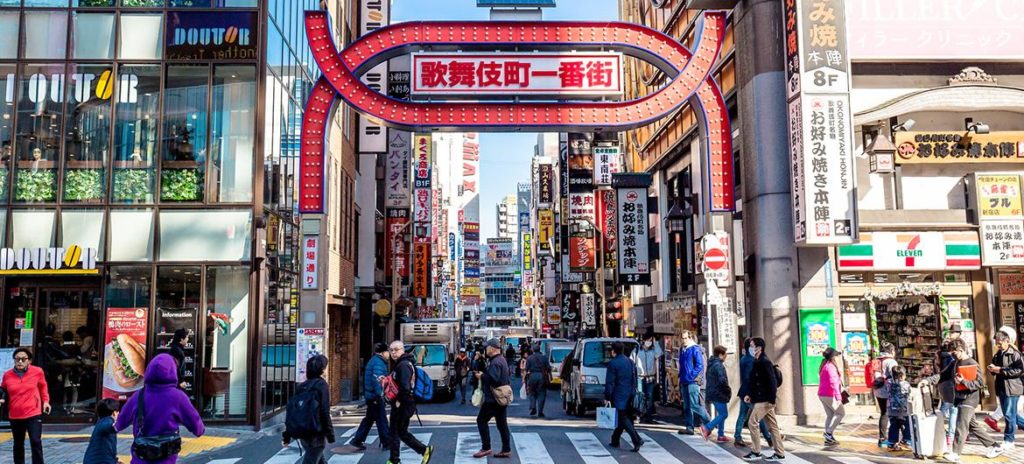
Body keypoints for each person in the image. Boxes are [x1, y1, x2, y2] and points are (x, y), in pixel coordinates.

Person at [114, 353, 205, 464]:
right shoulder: (178, 397)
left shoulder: (138, 395)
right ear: (172, 372)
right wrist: (199, 430)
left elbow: (120, 423)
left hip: (141, 457)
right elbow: (197, 426)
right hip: (166, 458)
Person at [944, 338, 1004, 462]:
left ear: (960, 350)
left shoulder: (972, 363)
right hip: (960, 398)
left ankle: (955, 453)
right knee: (972, 426)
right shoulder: (955, 363)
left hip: (969, 399)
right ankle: (995, 446)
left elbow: (980, 382)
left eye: (954, 353)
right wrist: (927, 380)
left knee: (961, 425)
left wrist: (963, 382)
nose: (953, 355)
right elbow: (942, 374)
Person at [0, 348, 50, 464]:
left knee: (35, 441)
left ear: (29, 361)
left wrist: (45, 401)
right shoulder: (7, 375)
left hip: (33, 412)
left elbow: (43, 387)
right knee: (18, 443)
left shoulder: (37, 371)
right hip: (15, 414)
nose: (20, 362)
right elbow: (3, 390)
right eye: (17, 359)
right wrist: (2, 398)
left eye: (23, 359)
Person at [282, 355, 335, 464]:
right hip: (316, 434)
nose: (326, 369)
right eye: (325, 367)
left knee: (319, 460)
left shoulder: (301, 386)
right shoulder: (321, 385)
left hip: (303, 433)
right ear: (321, 369)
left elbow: (292, 413)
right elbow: (325, 412)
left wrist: (286, 436)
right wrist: (330, 434)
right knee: (312, 458)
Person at [386, 341, 433, 464]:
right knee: (400, 432)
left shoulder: (403, 365)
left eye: (396, 349)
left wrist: (398, 401)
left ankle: (394, 460)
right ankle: (424, 450)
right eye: (391, 350)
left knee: (395, 432)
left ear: (403, 350)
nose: (393, 352)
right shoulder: (401, 364)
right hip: (405, 403)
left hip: (403, 404)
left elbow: (405, 387)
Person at [742, 337, 785, 462]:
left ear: (759, 348)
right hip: (762, 398)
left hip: (765, 399)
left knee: (752, 422)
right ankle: (779, 452)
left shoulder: (764, 362)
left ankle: (756, 451)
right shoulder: (757, 361)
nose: (750, 348)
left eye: (752, 345)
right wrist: (750, 394)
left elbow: (772, 382)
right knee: (772, 426)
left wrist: (771, 399)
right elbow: (755, 381)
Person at [474, 338, 512, 459]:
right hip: (502, 397)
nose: (485, 349)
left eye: (487, 347)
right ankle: (506, 449)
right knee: (502, 424)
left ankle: (486, 447)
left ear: (492, 348)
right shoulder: (501, 360)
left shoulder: (496, 362)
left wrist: (482, 376)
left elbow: (493, 379)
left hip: (493, 398)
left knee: (481, 420)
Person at [350, 343, 391, 450]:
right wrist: (381, 394)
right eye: (388, 351)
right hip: (375, 396)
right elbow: (377, 380)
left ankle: (357, 440)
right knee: (381, 419)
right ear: (383, 352)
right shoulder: (378, 363)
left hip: (371, 396)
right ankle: (386, 442)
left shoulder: (376, 361)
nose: (389, 354)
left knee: (369, 419)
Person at [989, 328, 1024, 450]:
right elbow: (995, 368)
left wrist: (1000, 370)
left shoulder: (1015, 354)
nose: (998, 345)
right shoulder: (998, 354)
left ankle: (1009, 439)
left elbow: (1019, 370)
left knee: (1009, 415)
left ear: (1007, 341)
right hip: (1001, 387)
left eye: (999, 343)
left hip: (1013, 388)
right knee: (1010, 414)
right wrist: (992, 369)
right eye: (996, 343)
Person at [605, 341, 644, 452]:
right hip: (631, 393)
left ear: (613, 351)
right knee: (625, 419)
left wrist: (607, 396)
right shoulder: (630, 362)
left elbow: (610, 382)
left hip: (619, 394)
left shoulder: (613, 364)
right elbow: (635, 378)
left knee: (624, 418)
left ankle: (636, 441)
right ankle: (615, 440)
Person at [735, 337, 772, 448]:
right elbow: (749, 378)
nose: (754, 348)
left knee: (742, 415)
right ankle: (768, 437)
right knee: (757, 415)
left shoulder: (743, 359)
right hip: (749, 393)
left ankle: (737, 437)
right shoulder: (750, 360)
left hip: (744, 391)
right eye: (752, 346)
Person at [922, 338, 959, 448]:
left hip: (942, 384)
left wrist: (930, 380)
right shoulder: (951, 359)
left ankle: (941, 425)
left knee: (946, 406)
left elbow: (940, 373)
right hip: (951, 385)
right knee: (953, 410)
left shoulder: (938, 355)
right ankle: (951, 436)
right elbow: (949, 373)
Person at [677, 330, 711, 439]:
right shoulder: (683, 350)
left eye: (686, 338)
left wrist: (691, 376)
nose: (684, 340)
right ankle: (689, 427)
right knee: (687, 406)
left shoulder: (694, 349)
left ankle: (710, 422)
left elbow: (699, 365)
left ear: (690, 338)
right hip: (684, 380)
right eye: (682, 338)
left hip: (693, 381)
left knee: (694, 404)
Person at [871, 342, 899, 447]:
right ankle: (889, 439)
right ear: (892, 351)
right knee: (890, 414)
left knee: (883, 413)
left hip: (877, 389)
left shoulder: (877, 360)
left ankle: (882, 438)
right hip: (888, 390)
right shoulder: (891, 361)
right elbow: (895, 376)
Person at [632, 332, 663, 423]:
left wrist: (656, 342)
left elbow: (659, 354)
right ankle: (639, 415)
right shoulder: (637, 350)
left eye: (651, 341)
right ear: (643, 341)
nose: (649, 342)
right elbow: (631, 361)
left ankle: (648, 416)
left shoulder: (653, 351)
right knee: (640, 396)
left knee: (650, 397)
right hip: (640, 377)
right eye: (648, 340)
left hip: (650, 377)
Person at [817, 347, 845, 446]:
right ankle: (828, 433)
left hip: (823, 394)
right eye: (836, 355)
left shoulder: (825, 365)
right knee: (840, 413)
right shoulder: (830, 367)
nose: (837, 357)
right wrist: (838, 397)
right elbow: (833, 383)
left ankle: (828, 437)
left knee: (830, 415)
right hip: (830, 394)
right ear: (833, 357)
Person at [705, 345, 732, 443]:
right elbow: (722, 380)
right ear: (721, 354)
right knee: (724, 414)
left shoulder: (712, 363)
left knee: (721, 413)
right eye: (725, 354)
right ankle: (707, 427)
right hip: (718, 392)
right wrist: (727, 390)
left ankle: (721, 435)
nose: (726, 357)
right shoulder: (718, 365)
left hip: (713, 391)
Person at [83, 398, 122, 464]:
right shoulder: (108, 420)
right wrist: (116, 426)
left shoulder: (100, 422)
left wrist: (115, 460)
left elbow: (110, 448)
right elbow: (107, 426)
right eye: (118, 411)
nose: (119, 414)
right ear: (114, 413)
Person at [886, 366, 912, 452]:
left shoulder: (888, 382)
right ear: (902, 376)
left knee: (894, 425)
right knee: (907, 424)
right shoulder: (906, 384)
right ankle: (906, 440)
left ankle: (892, 443)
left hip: (891, 409)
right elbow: (909, 393)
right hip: (902, 410)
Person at [525, 343, 551, 418]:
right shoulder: (544, 357)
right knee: (541, 393)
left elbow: (527, 369)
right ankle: (540, 411)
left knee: (532, 392)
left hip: (532, 376)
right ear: (539, 350)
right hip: (542, 376)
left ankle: (533, 407)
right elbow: (548, 368)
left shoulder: (529, 358)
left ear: (533, 350)